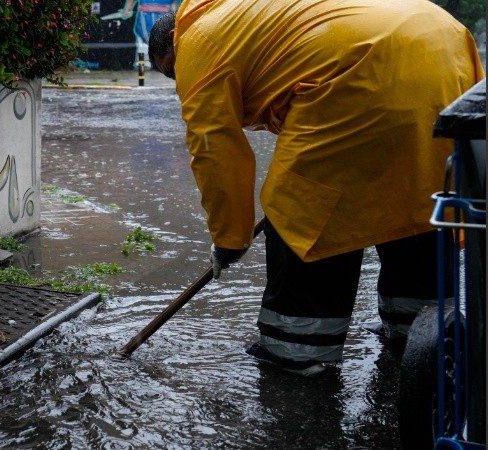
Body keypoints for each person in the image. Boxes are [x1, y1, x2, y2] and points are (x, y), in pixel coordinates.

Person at [148, 0, 484, 375]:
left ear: (171, 45)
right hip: (443, 40)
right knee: (419, 190)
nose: (180, 83)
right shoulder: (243, 13)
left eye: (172, 73)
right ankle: (419, 332)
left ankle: (298, 350)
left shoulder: (197, 41)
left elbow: (214, 149)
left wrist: (229, 239)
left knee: (303, 208)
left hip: (362, 65)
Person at [120, 0, 181, 68]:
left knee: (159, 40)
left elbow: (175, 4)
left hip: (161, 15)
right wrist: (126, 10)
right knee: (143, 40)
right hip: (146, 16)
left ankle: (159, 63)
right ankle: (145, 63)